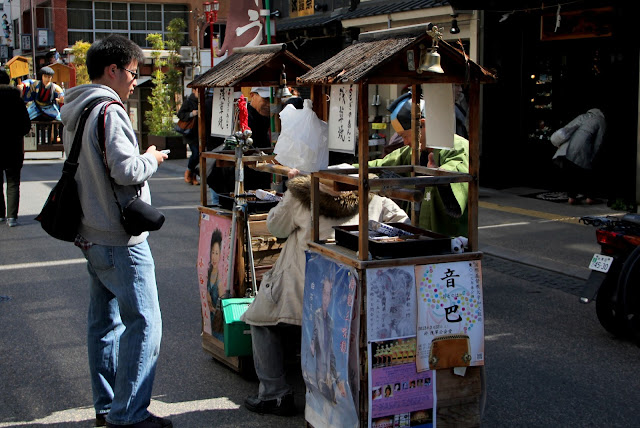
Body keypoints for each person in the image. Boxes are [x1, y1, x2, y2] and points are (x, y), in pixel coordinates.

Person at [59, 34, 171, 428]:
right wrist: (152, 157)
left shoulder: (77, 107)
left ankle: (108, 408)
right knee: (144, 324)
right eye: (133, 73)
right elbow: (126, 169)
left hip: (90, 231)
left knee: (104, 325)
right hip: (119, 237)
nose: (133, 82)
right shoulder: (109, 109)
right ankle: (129, 415)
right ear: (113, 70)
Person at [241, 172, 409, 416]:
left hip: (302, 288)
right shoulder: (372, 198)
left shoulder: (300, 196)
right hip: (353, 292)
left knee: (260, 319)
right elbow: (402, 226)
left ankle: (274, 394)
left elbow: (275, 226)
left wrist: (289, 189)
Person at [363, 93, 470, 238]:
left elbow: (456, 174)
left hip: (450, 236)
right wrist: (345, 168)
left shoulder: (458, 145)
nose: (405, 142)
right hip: (418, 232)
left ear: (423, 125)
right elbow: (379, 165)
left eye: (405, 135)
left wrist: (440, 176)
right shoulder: (412, 152)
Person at [550, 108, 606, 205]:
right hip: (583, 148)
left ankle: (571, 197)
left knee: (572, 172)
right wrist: (594, 156)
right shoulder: (601, 121)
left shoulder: (583, 116)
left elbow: (567, 128)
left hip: (567, 147)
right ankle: (590, 197)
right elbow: (599, 141)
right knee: (587, 172)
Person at [0, 69, 31, 228]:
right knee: (13, 182)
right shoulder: (17, 101)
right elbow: (26, 125)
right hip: (13, 146)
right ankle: (12, 217)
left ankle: (0, 214)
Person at [176, 88, 200, 185]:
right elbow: (180, 114)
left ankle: (194, 176)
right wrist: (192, 114)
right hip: (190, 133)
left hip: (200, 132)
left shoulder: (204, 99)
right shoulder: (188, 101)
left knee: (199, 155)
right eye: (198, 90)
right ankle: (189, 171)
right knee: (195, 153)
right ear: (194, 90)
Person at [206, 228, 224, 337]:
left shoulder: (221, 276)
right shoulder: (209, 272)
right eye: (213, 252)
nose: (214, 257)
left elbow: (223, 300)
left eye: (217, 253)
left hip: (219, 323)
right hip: (210, 321)